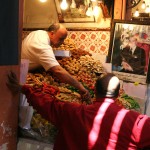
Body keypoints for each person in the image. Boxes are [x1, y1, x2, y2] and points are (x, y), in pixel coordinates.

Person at [7, 72, 150, 150]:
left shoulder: (72, 112)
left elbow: (47, 104)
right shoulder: (137, 123)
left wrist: (24, 88)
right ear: (118, 94)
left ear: (94, 91)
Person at [20, 23, 90, 140]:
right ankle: (24, 128)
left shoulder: (38, 33)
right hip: (22, 72)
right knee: (27, 97)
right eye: (61, 38)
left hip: (25, 68)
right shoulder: (42, 46)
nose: (62, 42)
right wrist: (80, 87)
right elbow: (58, 71)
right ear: (52, 34)